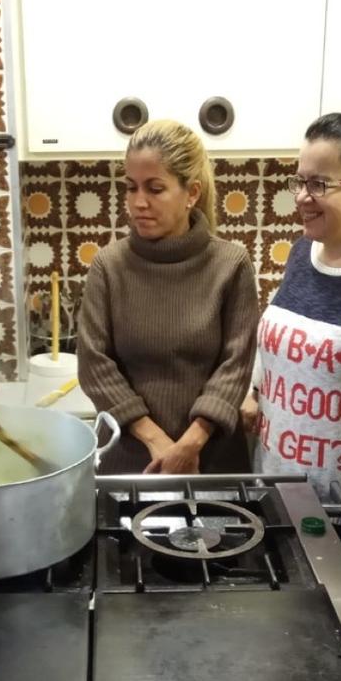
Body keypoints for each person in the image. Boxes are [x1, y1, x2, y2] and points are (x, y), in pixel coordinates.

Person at [240, 90, 341, 564]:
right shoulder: (302, 252)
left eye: (318, 184)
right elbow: (278, 334)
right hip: (274, 482)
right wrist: (255, 388)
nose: (301, 198)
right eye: (300, 181)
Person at [78, 119, 258, 474]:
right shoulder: (109, 266)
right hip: (129, 462)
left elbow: (236, 365)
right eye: (131, 187)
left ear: (192, 194)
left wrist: (191, 443)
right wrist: (156, 440)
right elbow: (94, 365)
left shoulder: (231, 264)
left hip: (211, 463)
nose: (138, 202)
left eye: (155, 189)